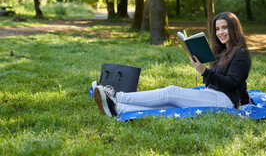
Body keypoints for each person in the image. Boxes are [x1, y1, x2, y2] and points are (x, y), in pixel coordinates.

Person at [93, 12, 252, 117]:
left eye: (225, 28)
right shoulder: (222, 50)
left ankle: (116, 96)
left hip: (224, 101)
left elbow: (231, 83)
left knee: (171, 92)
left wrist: (204, 71)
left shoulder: (241, 53)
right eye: (217, 29)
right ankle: (117, 108)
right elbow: (230, 82)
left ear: (234, 29)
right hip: (213, 95)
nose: (220, 33)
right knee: (169, 105)